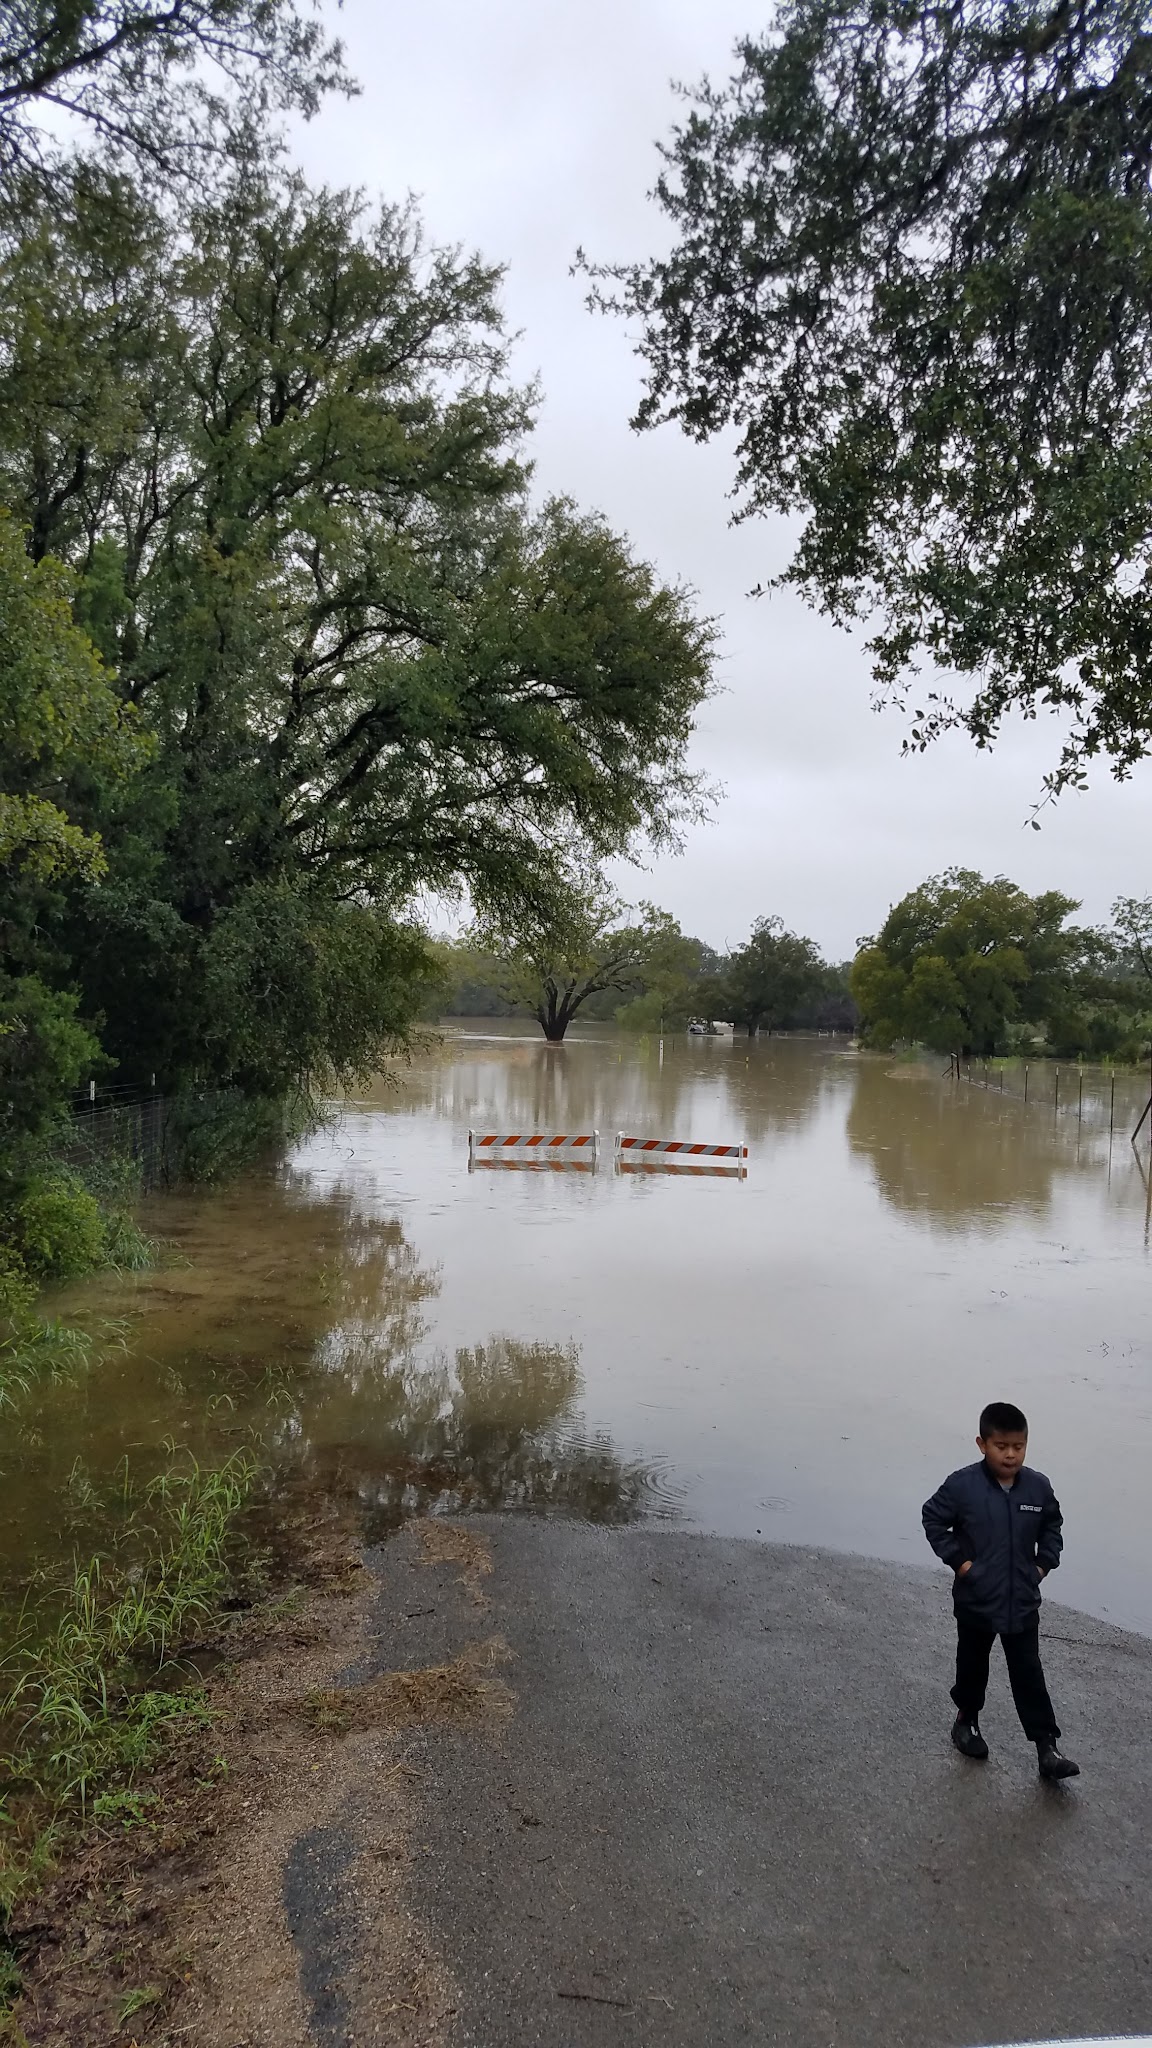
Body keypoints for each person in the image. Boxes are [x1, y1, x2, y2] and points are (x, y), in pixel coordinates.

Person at [922, 1401, 1079, 1781]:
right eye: (1001, 1446)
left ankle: (1047, 1746)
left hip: (1022, 1600)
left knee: (1028, 1671)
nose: (1010, 1455)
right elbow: (933, 1517)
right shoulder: (963, 1486)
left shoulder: (1038, 1487)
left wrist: (1042, 1565)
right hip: (977, 1598)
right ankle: (967, 1721)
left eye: (1018, 1447)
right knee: (973, 1664)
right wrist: (961, 1564)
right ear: (982, 1444)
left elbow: (1052, 1526)